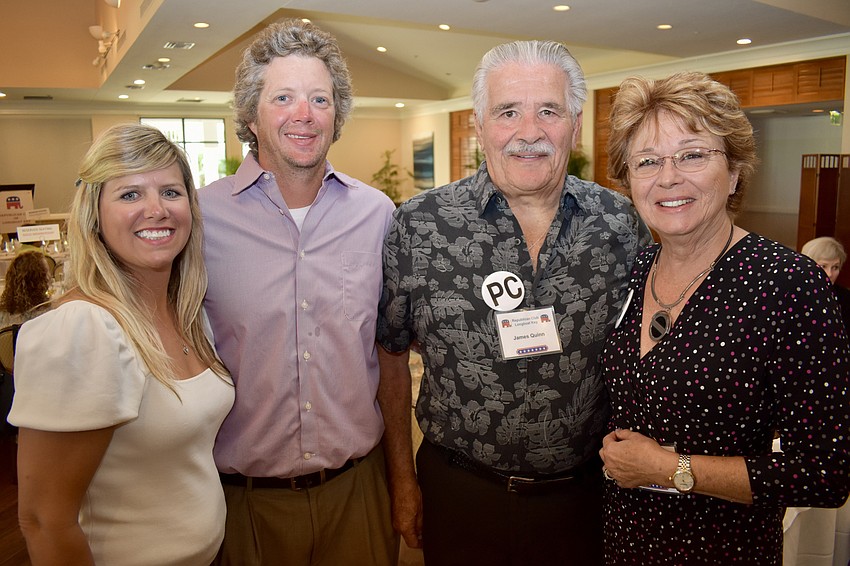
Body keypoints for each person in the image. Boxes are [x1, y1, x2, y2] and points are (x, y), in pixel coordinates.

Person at [377, 40, 652, 566]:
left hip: (585, 500)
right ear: (480, 126)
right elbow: (390, 354)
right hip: (460, 496)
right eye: (508, 112)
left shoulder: (621, 224)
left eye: (548, 110)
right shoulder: (420, 224)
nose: (529, 132)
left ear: (574, 123)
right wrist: (403, 481)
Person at [599, 71, 850, 565]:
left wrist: (670, 468)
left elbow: (826, 473)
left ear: (735, 171)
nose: (669, 177)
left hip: (723, 548)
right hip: (622, 541)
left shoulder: (788, 285)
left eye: (693, 154)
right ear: (629, 181)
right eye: (647, 161)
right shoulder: (632, 272)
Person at [200, 19, 398, 566]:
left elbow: (391, 353)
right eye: (282, 97)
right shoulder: (200, 219)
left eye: (320, 98)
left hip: (357, 494)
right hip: (243, 506)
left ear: (337, 116)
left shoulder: (377, 215)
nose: (304, 114)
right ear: (251, 114)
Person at [9, 123, 234, 565]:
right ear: (95, 214)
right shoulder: (83, 328)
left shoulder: (189, 313)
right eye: (130, 194)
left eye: (171, 192)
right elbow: (43, 520)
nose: (157, 210)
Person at [801, 236, 850, 333]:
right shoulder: (796, 295)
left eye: (835, 267)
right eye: (823, 266)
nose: (830, 274)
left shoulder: (846, 298)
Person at [0, 250, 52, 327]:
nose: (49, 276)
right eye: (47, 272)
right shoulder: (46, 313)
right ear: (40, 279)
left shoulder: (3, 314)